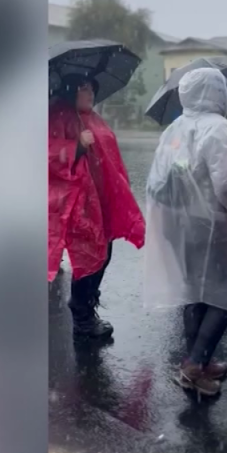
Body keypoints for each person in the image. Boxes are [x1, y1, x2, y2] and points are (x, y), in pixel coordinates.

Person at [142, 68, 227, 398]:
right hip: (212, 227)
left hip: (178, 225)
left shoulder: (176, 128)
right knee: (224, 296)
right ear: (216, 93)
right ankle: (195, 365)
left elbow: (158, 179)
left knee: (194, 293)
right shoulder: (219, 129)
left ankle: (195, 361)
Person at [48, 74, 145, 339]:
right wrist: (77, 146)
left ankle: (87, 304)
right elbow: (48, 155)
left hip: (102, 199)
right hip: (78, 202)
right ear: (70, 91)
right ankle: (82, 316)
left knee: (104, 254)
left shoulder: (93, 118)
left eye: (91, 88)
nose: (89, 93)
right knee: (88, 256)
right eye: (82, 88)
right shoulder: (58, 116)